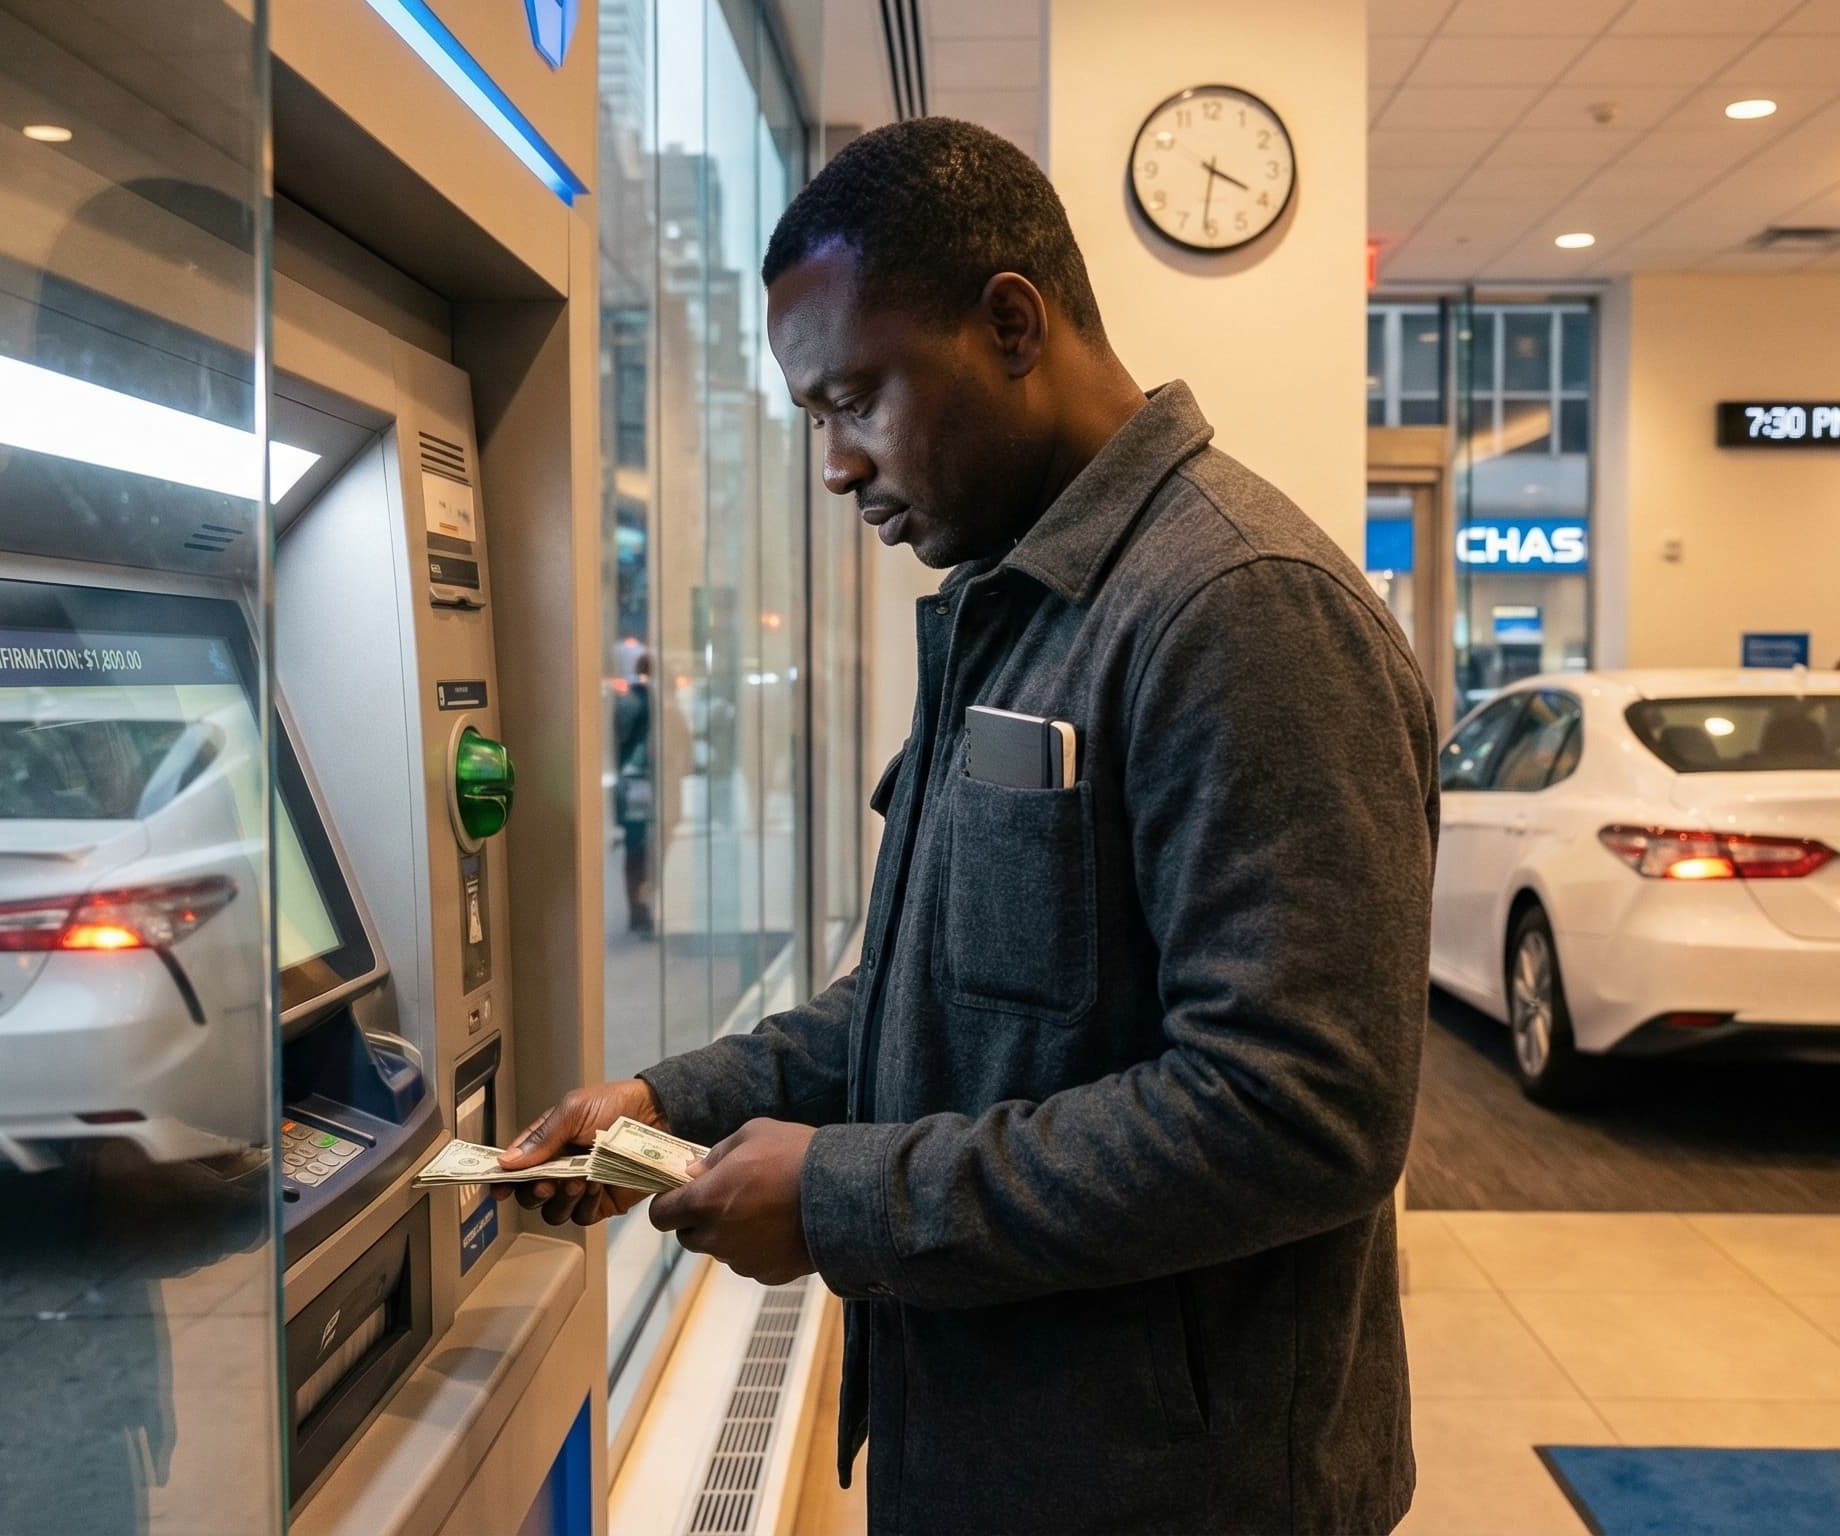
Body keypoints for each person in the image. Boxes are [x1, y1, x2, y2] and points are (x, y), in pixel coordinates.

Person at [500, 118, 1437, 1535]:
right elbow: (931, 996)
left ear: (1011, 323)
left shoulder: (1239, 607)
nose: (834, 466)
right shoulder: (1023, 609)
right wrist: (670, 1105)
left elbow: (1301, 1111)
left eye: (856, 401)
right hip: (1009, 1453)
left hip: (1179, 1495)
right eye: (815, 418)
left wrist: (851, 1201)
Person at [614, 652, 655, 938]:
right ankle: (641, 908)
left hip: (631, 786)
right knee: (642, 851)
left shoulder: (628, 703)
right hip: (642, 785)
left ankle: (639, 909)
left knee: (635, 850)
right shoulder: (653, 706)